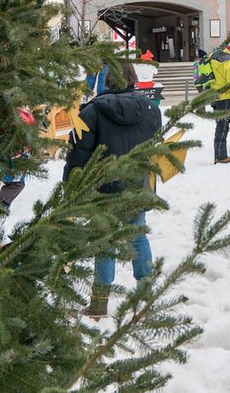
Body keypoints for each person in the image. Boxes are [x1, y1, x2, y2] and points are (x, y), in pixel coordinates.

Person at [63, 62, 160, 319]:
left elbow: (77, 155)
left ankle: (99, 303)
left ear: (107, 80)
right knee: (138, 237)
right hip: (138, 185)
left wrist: (69, 188)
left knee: (104, 243)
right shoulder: (151, 109)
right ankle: (146, 297)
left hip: (104, 187)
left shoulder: (92, 112)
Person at [207, 35, 230, 164]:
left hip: (214, 95)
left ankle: (219, 154)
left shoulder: (215, 55)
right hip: (225, 97)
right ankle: (221, 156)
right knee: (223, 127)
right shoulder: (228, 63)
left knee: (219, 125)